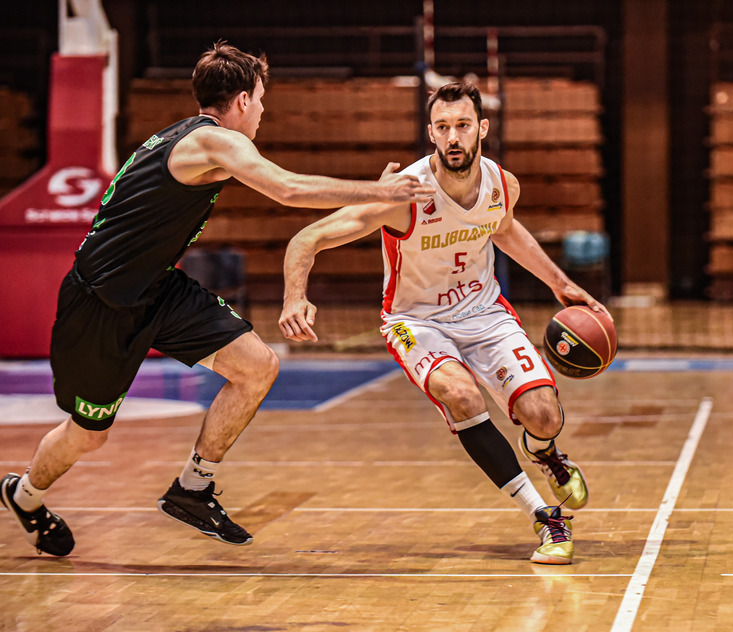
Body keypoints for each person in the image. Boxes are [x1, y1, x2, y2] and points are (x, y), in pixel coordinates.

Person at [0, 41, 434, 557]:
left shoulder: (196, 140)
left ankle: (192, 488)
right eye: (262, 100)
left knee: (257, 366)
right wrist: (382, 192)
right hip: (100, 304)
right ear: (244, 100)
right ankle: (24, 495)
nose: (263, 112)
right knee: (88, 434)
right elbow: (288, 189)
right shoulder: (211, 141)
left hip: (157, 289)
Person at [279, 81, 613, 565]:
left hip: (483, 312)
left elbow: (504, 229)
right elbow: (307, 239)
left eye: (462, 125)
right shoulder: (403, 195)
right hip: (416, 320)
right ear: (431, 133)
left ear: (482, 128)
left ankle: (544, 451)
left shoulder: (502, 184)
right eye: (443, 127)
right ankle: (544, 516)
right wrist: (294, 296)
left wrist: (560, 284)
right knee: (462, 395)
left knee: (545, 415)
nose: (453, 137)